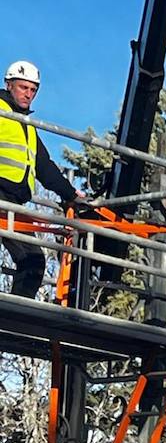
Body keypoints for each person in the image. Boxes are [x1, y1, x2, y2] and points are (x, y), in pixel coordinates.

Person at [0, 61, 82, 299]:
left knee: (33, 260)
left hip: (14, 203)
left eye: (33, 90)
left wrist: (72, 194)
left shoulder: (27, 126)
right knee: (29, 257)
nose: (28, 94)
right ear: (9, 85)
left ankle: (13, 322)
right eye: (23, 87)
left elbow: (44, 167)